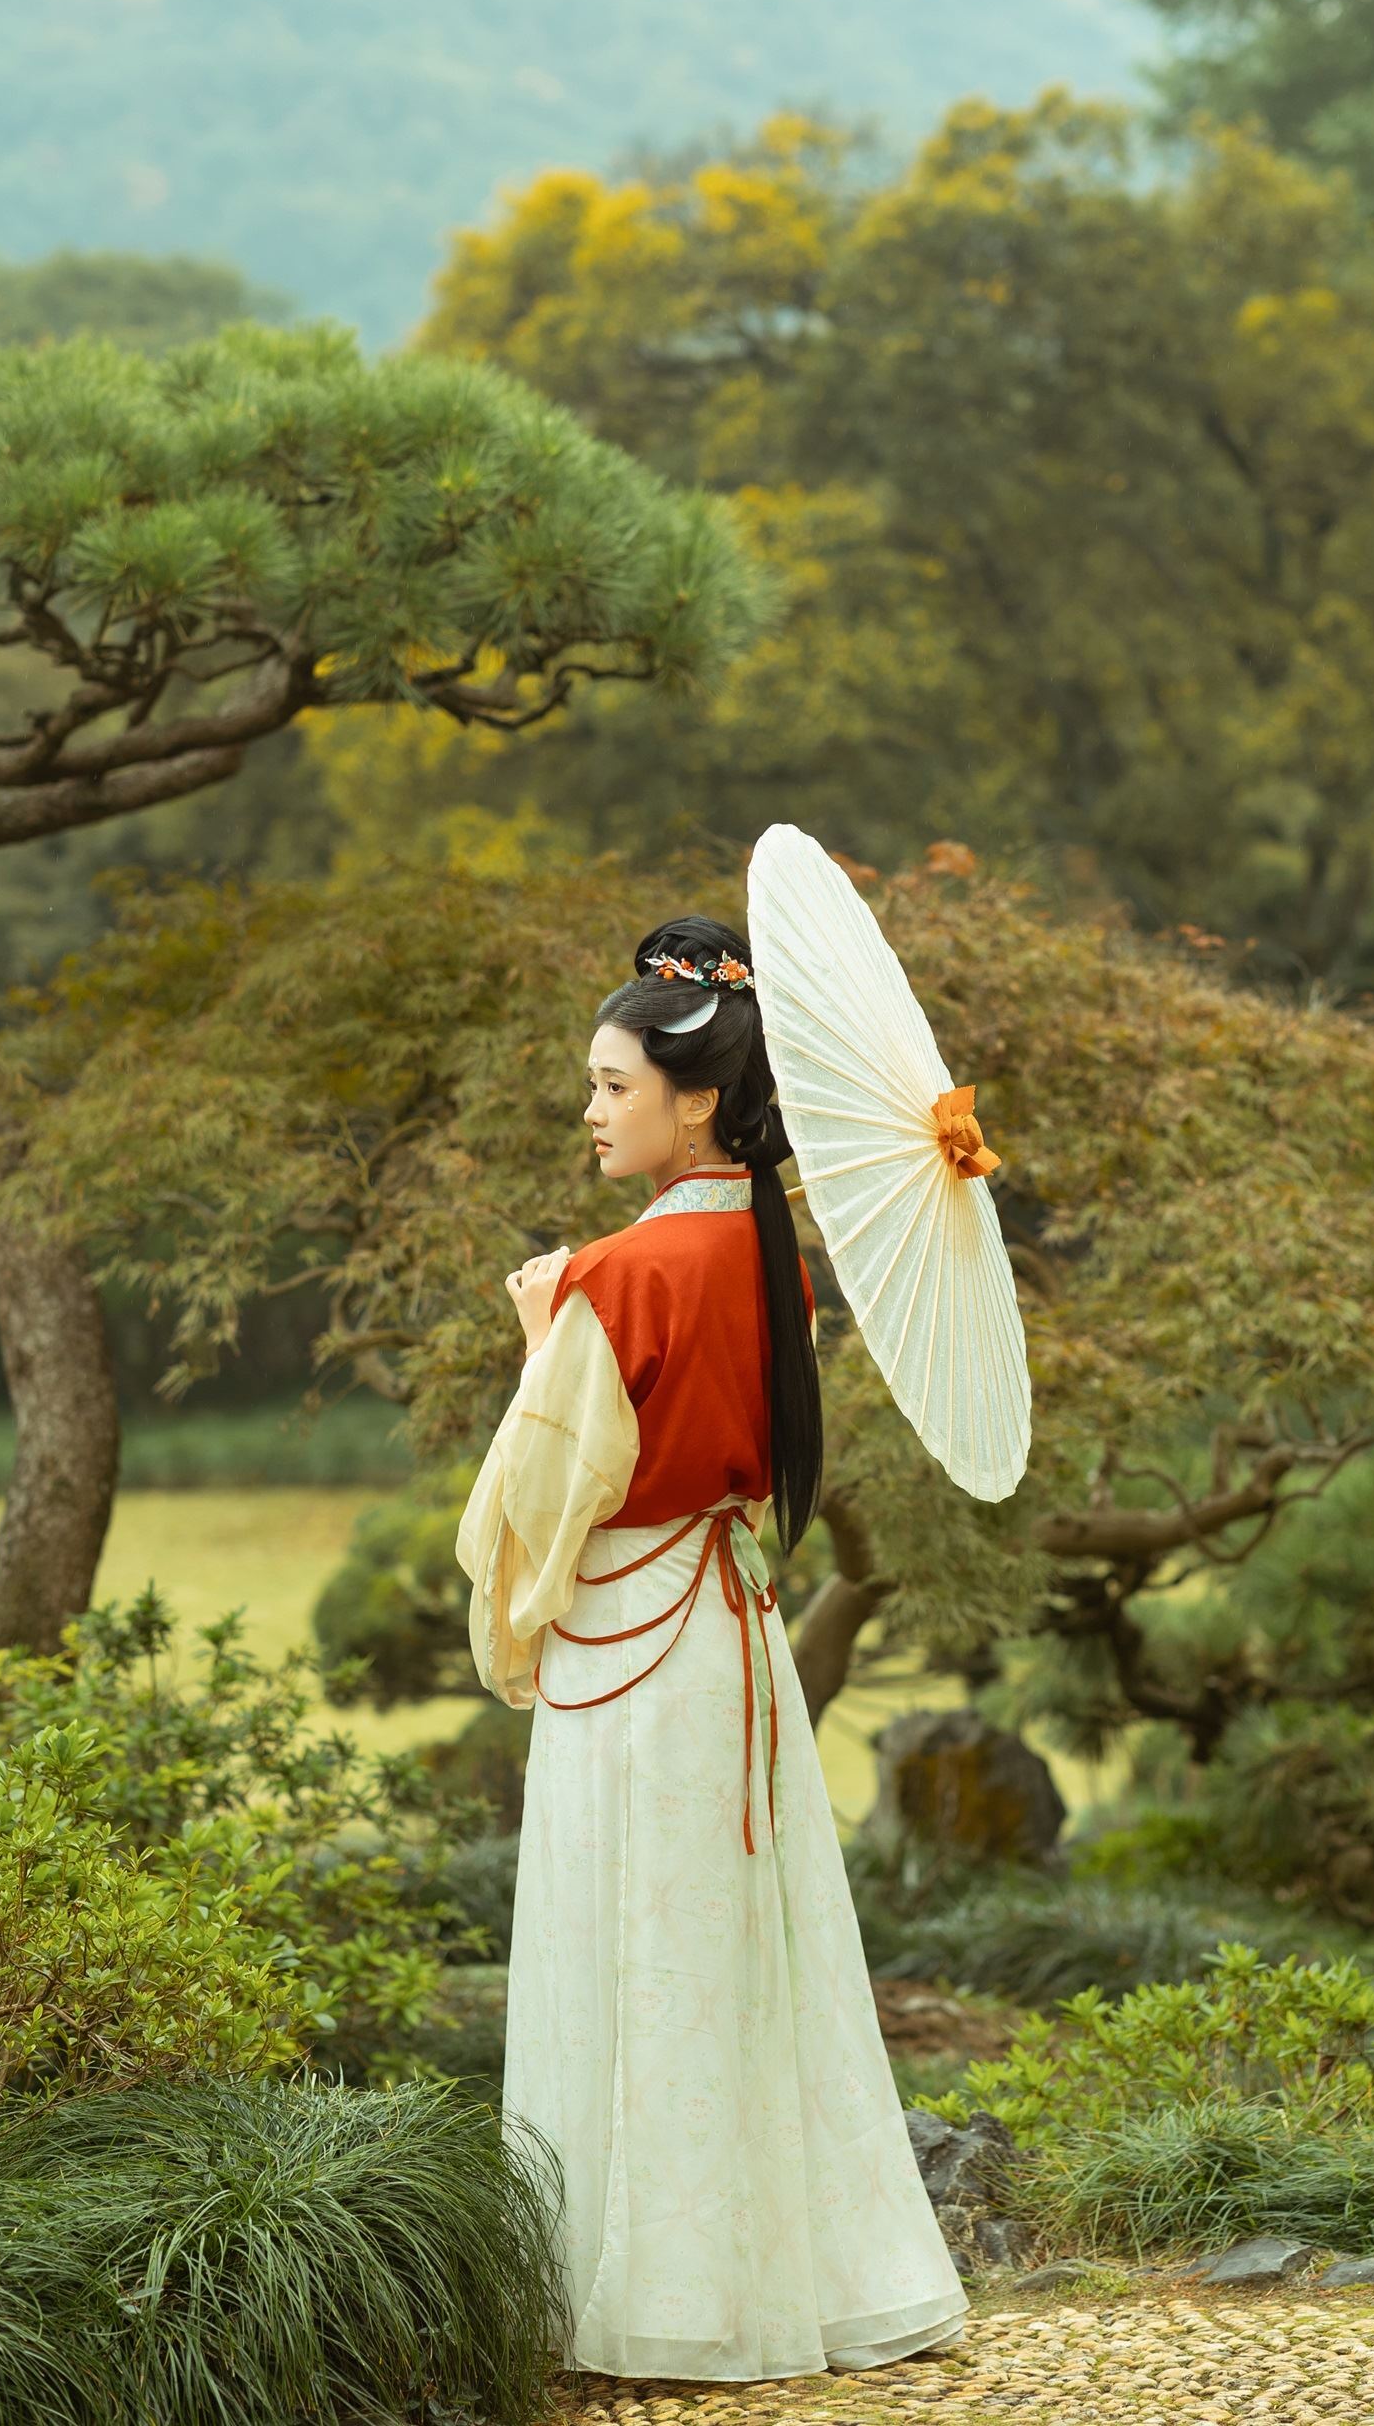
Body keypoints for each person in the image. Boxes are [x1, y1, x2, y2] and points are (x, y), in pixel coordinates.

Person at [454, 913, 968, 2386]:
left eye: (613, 1085)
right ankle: (790, 2277)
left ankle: (651, 2298)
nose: (593, 1109)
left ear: (694, 1100)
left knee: (630, 1955)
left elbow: (535, 1508)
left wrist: (551, 1326)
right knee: (734, 1956)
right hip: (725, 1635)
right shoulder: (773, 1261)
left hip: (631, 1634)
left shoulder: (618, 1279)